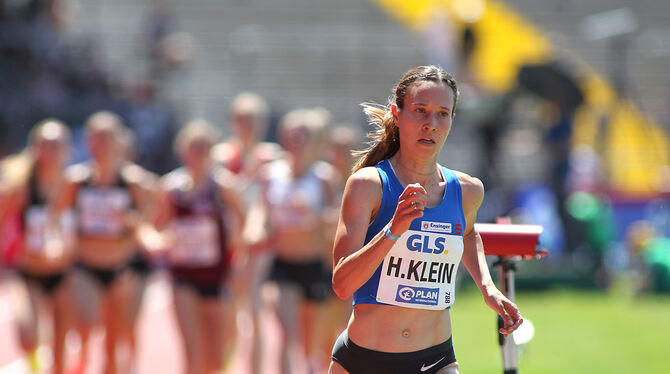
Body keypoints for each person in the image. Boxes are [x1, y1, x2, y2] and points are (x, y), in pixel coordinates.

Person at [330, 66, 523, 374]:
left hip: (436, 359)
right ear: (397, 114)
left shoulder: (468, 191)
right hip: (366, 361)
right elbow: (342, 284)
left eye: (442, 114)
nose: (430, 124)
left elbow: (468, 233)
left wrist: (488, 288)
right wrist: (393, 231)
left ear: (451, 121)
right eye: (420, 111)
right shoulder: (369, 186)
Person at [51, 111, 153, 374]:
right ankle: (82, 354)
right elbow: (55, 214)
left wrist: (138, 228)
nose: (102, 145)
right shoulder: (76, 180)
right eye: (96, 139)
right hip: (86, 264)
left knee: (114, 341)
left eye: (108, 139)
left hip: (122, 268)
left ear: (119, 142)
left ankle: (119, 366)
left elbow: (152, 220)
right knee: (87, 320)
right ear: (87, 142)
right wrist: (58, 240)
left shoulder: (135, 182)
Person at [149, 119, 244, 374]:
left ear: (212, 151)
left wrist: (239, 262)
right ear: (183, 151)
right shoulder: (171, 188)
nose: (198, 154)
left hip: (217, 276)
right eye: (193, 148)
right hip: (183, 275)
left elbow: (244, 223)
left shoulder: (223, 186)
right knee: (192, 352)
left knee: (214, 358)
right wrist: (158, 240)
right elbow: (154, 226)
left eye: (204, 148)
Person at [248, 108, 337, 373]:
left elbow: (338, 219)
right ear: (283, 137)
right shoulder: (270, 175)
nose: (297, 139)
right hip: (282, 265)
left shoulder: (323, 177)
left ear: (313, 140)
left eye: (303, 134)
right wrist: (254, 231)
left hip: (314, 266)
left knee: (312, 348)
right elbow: (260, 212)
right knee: (287, 334)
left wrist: (317, 217)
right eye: (292, 133)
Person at [0, 119, 76, 374]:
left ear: (67, 150)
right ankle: (34, 370)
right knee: (27, 332)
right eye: (45, 145)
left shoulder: (74, 184)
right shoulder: (21, 187)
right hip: (28, 271)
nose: (51, 151)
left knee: (60, 338)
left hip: (63, 272)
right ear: (34, 148)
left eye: (57, 145)